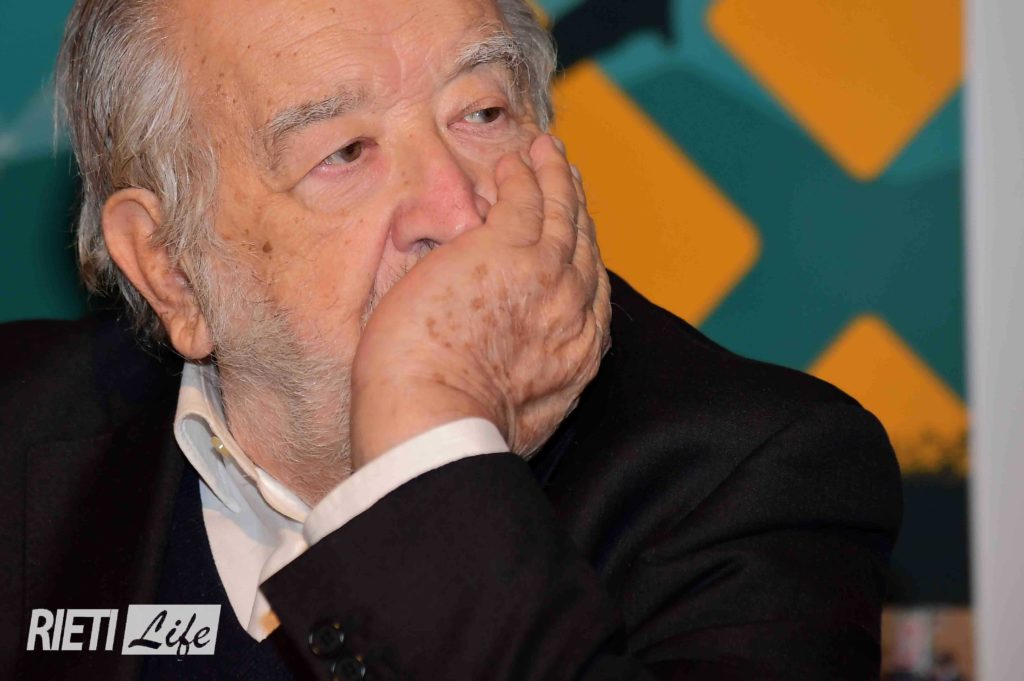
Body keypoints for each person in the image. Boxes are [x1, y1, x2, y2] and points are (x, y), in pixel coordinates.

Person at [0, 0, 902, 678]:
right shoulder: (15, 430)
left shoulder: (751, 476)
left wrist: (427, 444)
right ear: (168, 267)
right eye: (344, 153)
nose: (459, 210)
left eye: (482, 114)